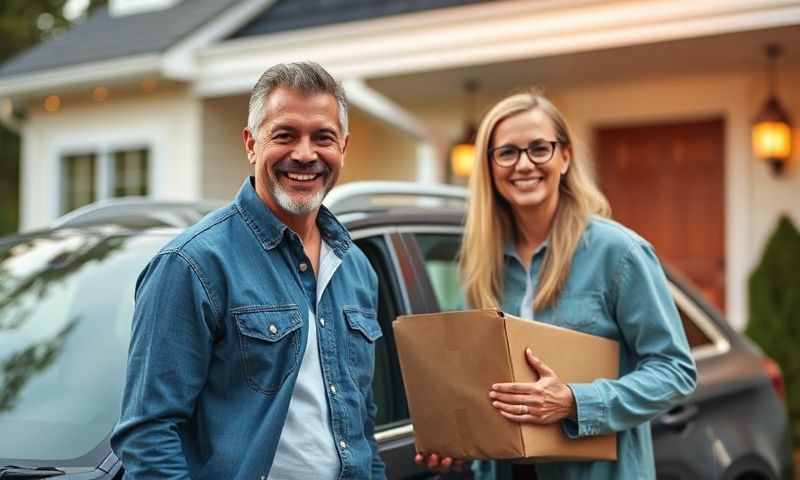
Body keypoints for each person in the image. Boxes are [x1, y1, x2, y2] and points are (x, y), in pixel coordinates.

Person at [111, 62, 385, 480]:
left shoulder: (357, 268)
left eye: (323, 138)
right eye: (285, 135)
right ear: (251, 144)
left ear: (343, 149)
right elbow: (149, 437)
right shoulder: (192, 264)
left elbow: (362, 424)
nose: (305, 154)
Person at [418, 90, 697, 480]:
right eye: (508, 152)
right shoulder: (482, 263)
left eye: (539, 148)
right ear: (490, 167)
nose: (524, 164)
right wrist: (460, 444)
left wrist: (574, 402)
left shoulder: (617, 253)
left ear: (564, 157)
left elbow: (674, 370)